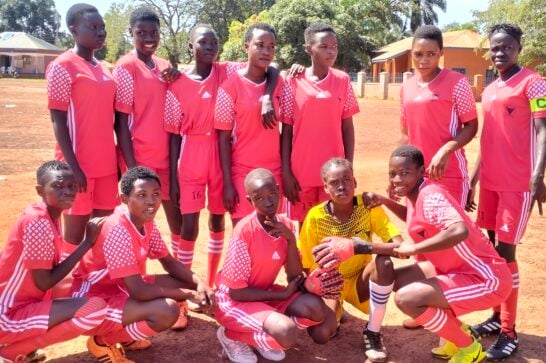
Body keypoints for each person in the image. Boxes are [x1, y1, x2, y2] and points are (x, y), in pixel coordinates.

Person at [314, 145, 512, 363]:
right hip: (456, 268)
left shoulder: (432, 196)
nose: (397, 179)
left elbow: (459, 230)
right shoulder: (415, 194)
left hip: (486, 278)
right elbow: (415, 216)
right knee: (396, 280)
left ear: (421, 171)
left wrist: (415, 248)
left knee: (407, 299)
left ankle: (469, 347)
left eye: (404, 173)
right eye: (392, 174)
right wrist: (385, 201)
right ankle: (458, 333)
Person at [165, 23, 279, 288]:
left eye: (214, 43)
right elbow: (172, 135)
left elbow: (269, 68)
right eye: (203, 42)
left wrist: (267, 97)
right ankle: (187, 288)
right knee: (189, 224)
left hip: (219, 152)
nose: (209, 48)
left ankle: (212, 282)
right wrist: (172, 178)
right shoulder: (176, 83)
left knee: (218, 218)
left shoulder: (226, 70)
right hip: (191, 154)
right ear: (189, 46)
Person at [70, 167, 214, 363]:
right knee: (167, 311)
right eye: (141, 195)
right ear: (124, 199)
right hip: (94, 297)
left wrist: (199, 282)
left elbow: (169, 262)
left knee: (186, 281)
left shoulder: (145, 220)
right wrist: (188, 295)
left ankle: (126, 336)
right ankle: (102, 341)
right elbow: (139, 291)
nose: (151, 201)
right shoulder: (117, 230)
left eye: (155, 194)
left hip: (121, 287)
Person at [466, 23, 546, 360]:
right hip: (492, 184)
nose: (500, 53)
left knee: (506, 252)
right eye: (495, 47)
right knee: (493, 251)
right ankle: (498, 318)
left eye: (507, 47)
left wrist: (538, 177)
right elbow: (489, 137)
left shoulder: (535, 82)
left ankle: (510, 331)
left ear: (518, 48)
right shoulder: (491, 87)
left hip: (517, 184)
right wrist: (473, 178)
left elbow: (544, 132)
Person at [112, 6, 190, 330]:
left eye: (153, 33)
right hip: (138, 163)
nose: (148, 38)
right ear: (131, 33)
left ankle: (183, 300)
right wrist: (133, 174)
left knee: (177, 221)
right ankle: (140, 295)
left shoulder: (164, 69)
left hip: (165, 161)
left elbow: (174, 114)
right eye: (141, 32)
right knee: (140, 228)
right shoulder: (126, 67)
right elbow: (120, 123)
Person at [214, 168, 338, 363]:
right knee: (286, 333)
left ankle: (259, 334)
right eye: (260, 198)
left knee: (315, 309)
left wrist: (289, 239)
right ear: (250, 201)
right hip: (232, 302)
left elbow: (293, 277)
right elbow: (236, 293)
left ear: (279, 190)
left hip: (262, 294)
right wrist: (281, 295)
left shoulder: (285, 225)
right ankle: (230, 336)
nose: (269, 201)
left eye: (272, 194)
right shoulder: (244, 231)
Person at [0, 161, 108, 362]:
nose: (67, 191)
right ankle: (9, 353)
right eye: (58, 186)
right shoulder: (38, 221)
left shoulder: (48, 214)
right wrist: (87, 243)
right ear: (40, 190)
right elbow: (44, 282)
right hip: (7, 313)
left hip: (21, 302)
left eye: (71, 186)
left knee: (78, 286)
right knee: (94, 310)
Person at [298, 158, 403, 362]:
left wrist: (359, 247)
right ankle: (336, 310)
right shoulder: (315, 216)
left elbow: (402, 248)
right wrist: (316, 289)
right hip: (331, 284)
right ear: (326, 187)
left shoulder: (368, 207)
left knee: (385, 262)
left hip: (360, 280)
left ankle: (373, 332)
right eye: (334, 182)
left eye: (347, 179)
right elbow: (305, 262)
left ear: (355, 182)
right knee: (320, 335)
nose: (342, 186)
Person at [46, 3, 119, 248]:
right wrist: (73, 168)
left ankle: (96, 285)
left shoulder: (106, 70)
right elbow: (57, 120)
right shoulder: (62, 67)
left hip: (107, 166)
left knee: (102, 231)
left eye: (102, 27)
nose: (101, 32)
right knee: (75, 236)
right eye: (93, 27)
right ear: (74, 29)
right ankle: (68, 286)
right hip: (78, 165)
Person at [281, 23, 359, 225]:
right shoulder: (294, 81)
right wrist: (287, 173)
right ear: (309, 49)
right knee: (305, 229)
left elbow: (347, 127)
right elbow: (287, 131)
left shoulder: (342, 80)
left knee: (333, 225)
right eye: (324, 46)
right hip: (301, 173)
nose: (331, 50)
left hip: (335, 174)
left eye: (334, 46)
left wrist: (348, 167)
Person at [400, 25, 478, 208]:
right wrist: (397, 172)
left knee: (449, 234)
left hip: (447, 173)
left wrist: (444, 151)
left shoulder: (457, 83)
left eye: (431, 54)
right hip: (415, 174)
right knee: (420, 232)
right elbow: (405, 134)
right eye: (418, 54)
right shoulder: (407, 87)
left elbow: (471, 126)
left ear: (441, 53)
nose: (424, 60)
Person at [214, 23, 284, 226]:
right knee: (243, 233)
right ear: (246, 46)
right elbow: (224, 138)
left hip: (273, 172)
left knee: (273, 233)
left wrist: (267, 97)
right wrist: (228, 183)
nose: (266, 51)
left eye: (271, 47)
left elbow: (275, 69)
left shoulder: (279, 83)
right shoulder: (229, 88)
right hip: (242, 173)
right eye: (260, 45)